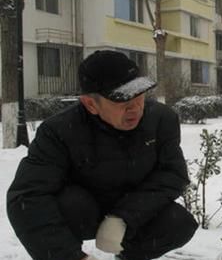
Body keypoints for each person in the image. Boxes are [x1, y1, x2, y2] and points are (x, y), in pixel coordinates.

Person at [7, 50, 198, 260]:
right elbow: (27, 197)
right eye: (123, 100)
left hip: (135, 208)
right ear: (91, 104)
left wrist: (124, 217)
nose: (135, 108)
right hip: (85, 211)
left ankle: (129, 256)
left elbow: (172, 174)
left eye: (139, 95)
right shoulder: (58, 131)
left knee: (177, 222)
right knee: (68, 204)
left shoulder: (161, 119)